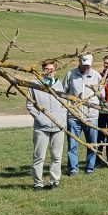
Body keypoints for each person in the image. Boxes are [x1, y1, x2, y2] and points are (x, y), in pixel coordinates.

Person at [26, 60, 66, 190]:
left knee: (56, 156)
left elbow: (65, 104)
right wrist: (40, 118)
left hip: (58, 126)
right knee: (39, 156)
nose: (49, 71)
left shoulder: (60, 85)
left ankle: (54, 181)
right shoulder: (35, 84)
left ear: (55, 70)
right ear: (43, 69)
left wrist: (61, 119)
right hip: (41, 127)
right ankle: (38, 183)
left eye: (52, 69)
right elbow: (30, 105)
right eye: (47, 69)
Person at [63, 53, 102, 175]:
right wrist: (69, 108)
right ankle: (73, 169)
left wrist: (94, 106)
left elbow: (101, 95)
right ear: (79, 62)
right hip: (74, 116)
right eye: (84, 65)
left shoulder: (96, 76)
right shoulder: (70, 74)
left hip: (91, 116)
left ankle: (90, 168)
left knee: (92, 144)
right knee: (72, 144)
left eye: (88, 65)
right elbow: (63, 92)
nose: (86, 67)